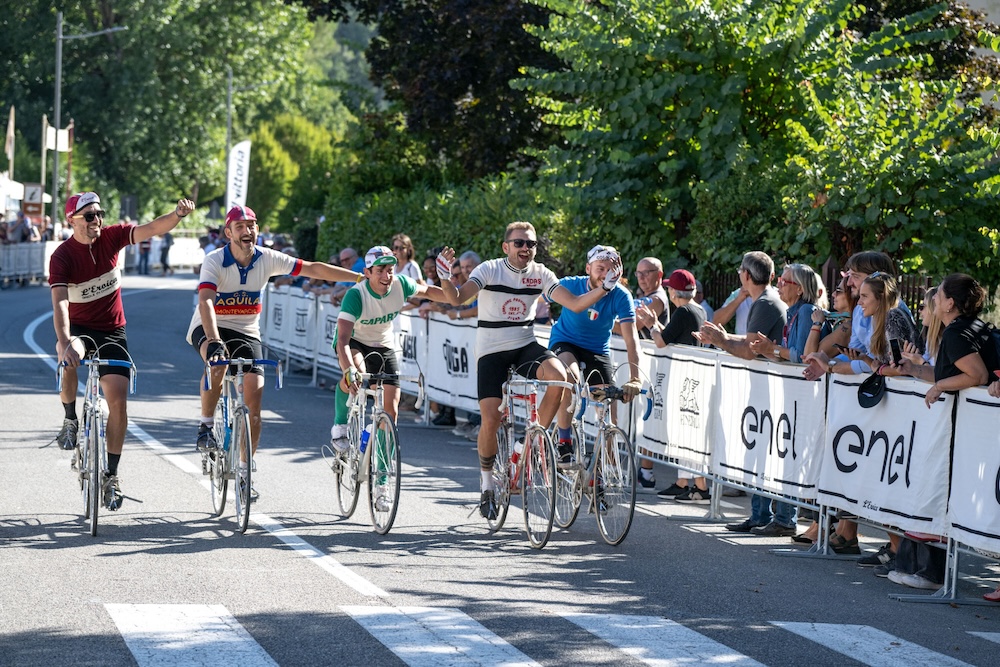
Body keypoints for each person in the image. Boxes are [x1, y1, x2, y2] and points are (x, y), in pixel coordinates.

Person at [436, 222, 623, 520]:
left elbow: (574, 304)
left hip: (524, 342)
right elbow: (458, 298)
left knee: (560, 377)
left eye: (531, 244)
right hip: (491, 350)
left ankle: (531, 442)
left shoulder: (541, 274)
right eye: (520, 243)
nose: (526, 248)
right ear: (506, 247)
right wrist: (445, 279)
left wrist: (605, 288)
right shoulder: (489, 269)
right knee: (491, 420)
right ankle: (486, 482)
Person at [187, 205, 360, 498]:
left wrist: (356, 278)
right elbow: (205, 303)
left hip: (245, 331)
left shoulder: (266, 258)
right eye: (240, 226)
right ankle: (205, 425)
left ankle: (245, 470)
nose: (247, 231)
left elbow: (312, 268)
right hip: (210, 325)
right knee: (217, 363)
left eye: (252, 225)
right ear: (228, 233)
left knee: (254, 399)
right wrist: (214, 340)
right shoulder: (215, 260)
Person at [51, 192, 195, 510]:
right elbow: (60, 301)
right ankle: (70, 419)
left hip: (112, 330)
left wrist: (177, 215)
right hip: (79, 330)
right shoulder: (62, 255)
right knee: (69, 358)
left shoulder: (112, 237)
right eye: (89, 216)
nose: (97, 221)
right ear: (72, 220)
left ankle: (111, 476)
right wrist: (63, 340)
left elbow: (151, 229)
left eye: (99, 214)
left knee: (118, 400)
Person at [892, 273, 1000, 590]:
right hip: (977, 430)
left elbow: (976, 375)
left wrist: (939, 385)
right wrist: (916, 370)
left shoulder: (955, 333)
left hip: (970, 432)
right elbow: (957, 372)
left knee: (940, 491)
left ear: (950, 302)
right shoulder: (975, 327)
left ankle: (929, 571)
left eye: (938, 294)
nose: (934, 298)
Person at [695, 251, 795, 535]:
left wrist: (720, 340)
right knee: (762, 450)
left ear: (746, 276)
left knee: (771, 451)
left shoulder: (765, 302)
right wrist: (720, 338)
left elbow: (748, 351)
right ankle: (760, 513)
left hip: (773, 390)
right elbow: (748, 340)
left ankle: (776, 516)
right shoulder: (764, 299)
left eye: (740, 270)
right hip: (769, 389)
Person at [329, 246, 451, 467]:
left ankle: (383, 479)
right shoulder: (356, 295)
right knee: (356, 371)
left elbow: (434, 293)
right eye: (380, 270)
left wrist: (453, 288)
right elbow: (343, 341)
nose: (386, 276)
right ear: (367, 273)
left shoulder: (401, 284)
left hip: (383, 345)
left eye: (390, 270)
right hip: (354, 342)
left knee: (390, 410)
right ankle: (340, 425)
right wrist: (349, 370)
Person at [547, 244, 642, 466]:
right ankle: (564, 442)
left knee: (609, 406)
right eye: (600, 268)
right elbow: (546, 297)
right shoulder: (572, 284)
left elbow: (631, 339)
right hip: (565, 342)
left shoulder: (621, 295)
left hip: (597, 350)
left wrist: (635, 377)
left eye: (611, 269)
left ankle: (605, 472)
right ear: (588, 268)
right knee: (569, 378)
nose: (605, 274)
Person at [642, 269, 708, 500]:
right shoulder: (697, 309)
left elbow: (660, 341)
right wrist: (655, 326)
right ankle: (689, 482)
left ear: (674, 291)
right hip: (692, 377)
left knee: (686, 432)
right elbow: (670, 336)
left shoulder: (683, 312)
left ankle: (697, 485)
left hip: (685, 378)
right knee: (688, 432)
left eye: (670, 287)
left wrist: (651, 324)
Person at [630, 257, 669, 339]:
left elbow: (631, 327)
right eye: (638, 273)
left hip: (651, 350)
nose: (641, 277)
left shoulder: (656, 299)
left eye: (646, 273)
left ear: (659, 274)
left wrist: (603, 320)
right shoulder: (645, 296)